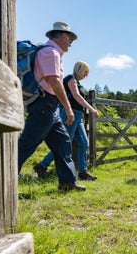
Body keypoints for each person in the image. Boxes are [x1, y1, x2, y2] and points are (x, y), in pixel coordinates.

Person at [17, 21, 86, 193]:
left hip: (49, 106)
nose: (70, 42)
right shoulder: (51, 53)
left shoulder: (49, 52)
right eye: (70, 39)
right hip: (44, 104)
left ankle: (68, 182)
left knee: (63, 142)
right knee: (27, 144)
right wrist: (68, 108)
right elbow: (55, 82)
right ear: (63, 36)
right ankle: (4, 177)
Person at [33, 61, 100, 180]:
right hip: (70, 115)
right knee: (62, 144)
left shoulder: (78, 83)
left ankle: (83, 171)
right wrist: (92, 109)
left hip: (78, 117)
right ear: (80, 70)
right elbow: (76, 96)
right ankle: (42, 166)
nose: (86, 75)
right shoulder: (70, 79)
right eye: (85, 72)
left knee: (84, 143)